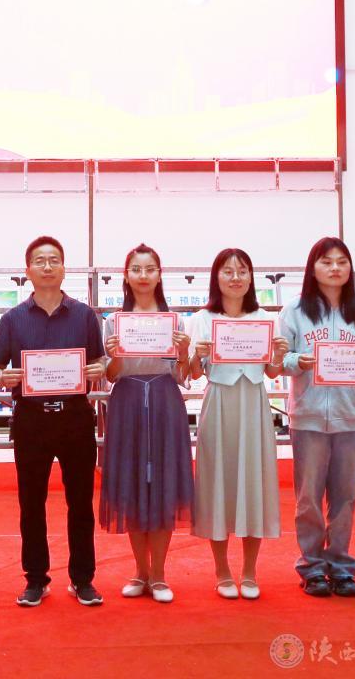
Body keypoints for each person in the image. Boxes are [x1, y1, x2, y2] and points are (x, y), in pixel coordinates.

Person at [0, 236, 106, 607]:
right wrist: (0, 377)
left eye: (54, 259)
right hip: (31, 420)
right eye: (39, 260)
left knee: (81, 503)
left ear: (64, 268)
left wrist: (99, 368)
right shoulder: (12, 319)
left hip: (75, 417)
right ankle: (36, 579)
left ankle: (82, 579)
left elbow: (100, 361)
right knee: (31, 503)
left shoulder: (85, 315)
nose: (47, 266)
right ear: (28, 270)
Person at [279, 237, 355, 598]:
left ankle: (341, 566)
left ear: (350, 268)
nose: (335, 268)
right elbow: (278, 361)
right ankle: (311, 566)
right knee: (308, 498)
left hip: (351, 416)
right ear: (313, 268)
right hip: (308, 417)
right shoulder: (294, 310)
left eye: (341, 262)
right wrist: (298, 361)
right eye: (326, 262)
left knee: (345, 497)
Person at [188, 248, 287, 600]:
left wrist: (278, 355)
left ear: (251, 278)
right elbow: (193, 373)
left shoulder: (265, 318)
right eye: (228, 271)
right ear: (216, 278)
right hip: (219, 402)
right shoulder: (202, 318)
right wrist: (197, 355)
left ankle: (249, 571)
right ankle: (221, 571)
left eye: (242, 271)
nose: (235, 277)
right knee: (218, 481)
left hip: (254, 404)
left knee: (253, 482)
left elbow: (272, 372)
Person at [100, 244, 193, 604]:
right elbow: (110, 375)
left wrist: (183, 353)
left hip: (165, 402)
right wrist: (115, 354)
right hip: (126, 403)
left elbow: (182, 376)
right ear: (126, 275)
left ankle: (160, 574)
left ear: (159, 274)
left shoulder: (175, 322)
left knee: (163, 484)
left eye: (149, 269)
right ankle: (140, 571)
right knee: (132, 484)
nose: (143, 275)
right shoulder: (113, 322)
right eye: (136, 269)